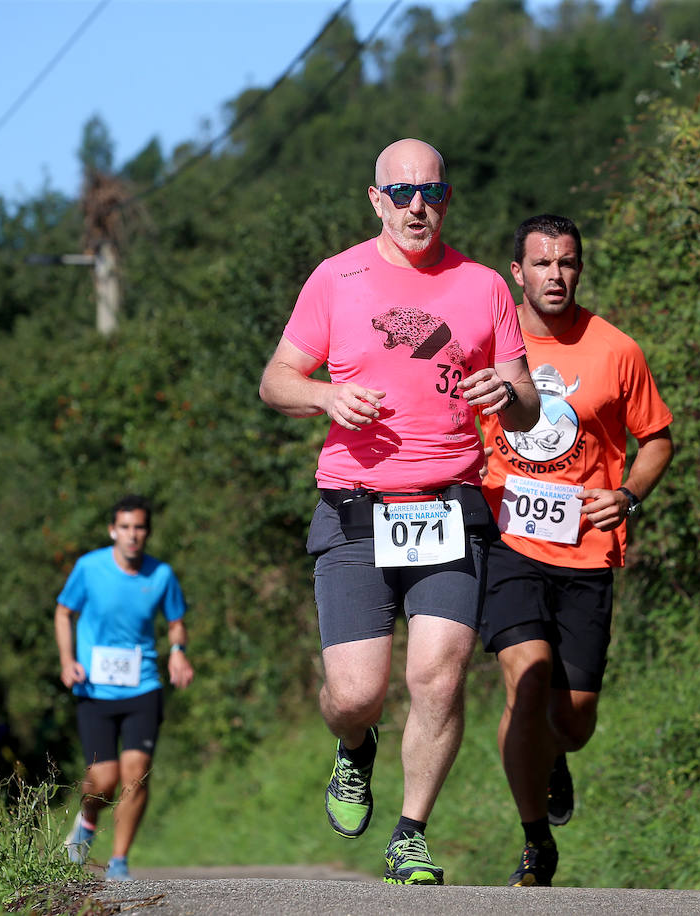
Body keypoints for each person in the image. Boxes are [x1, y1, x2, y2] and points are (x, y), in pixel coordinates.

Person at [259, 138, 540, 885]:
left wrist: (504, 396)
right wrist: (323, 395)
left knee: (440, 678)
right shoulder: (337, 278)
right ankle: (355, 750)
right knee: (355, 694)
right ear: (377, 199)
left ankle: (410, 832)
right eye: (404, 192)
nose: (420, 206)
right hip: (355, 503)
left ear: (447, 199)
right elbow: (276, 379)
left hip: (450, 502)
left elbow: (526, 402)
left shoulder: (483, 287)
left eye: (434, 192)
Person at [478, 214, 674, 887]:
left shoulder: (617, 349)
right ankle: (535, 841)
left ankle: (554, 757)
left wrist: (630, 496)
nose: (554, 276)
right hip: (508, 543)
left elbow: (657, 439)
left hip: (587, 552)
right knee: (526, 678)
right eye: (541, 264)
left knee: (574, 722)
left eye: (566, 263)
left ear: (579, 269)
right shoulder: (488, 345)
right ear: (517, 273)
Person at [54, 494, 194, 883]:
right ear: (113, 530)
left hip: (143, 686)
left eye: (139, 528)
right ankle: (86, 818)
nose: (132, 535)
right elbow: (64, 612)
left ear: (146, 532)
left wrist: (178, 652)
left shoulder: (161, 575)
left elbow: (176, 621)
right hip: (95, 689)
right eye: (125, 527)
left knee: (137, 772)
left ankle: (119, 861)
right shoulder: (89, 568)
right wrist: (67, 660)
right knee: (104, 779)